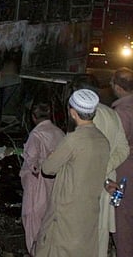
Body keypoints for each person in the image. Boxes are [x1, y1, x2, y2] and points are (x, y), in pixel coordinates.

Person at [34, 89, 110, 257]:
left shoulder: (74, 139)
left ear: (73, 113)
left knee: (57, 249)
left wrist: (52, 156)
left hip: (67, 209)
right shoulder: (102, 139)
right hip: (89, 208)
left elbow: (48, 168)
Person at [70, 75, 129, 257]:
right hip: (107, 184)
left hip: (85, 186)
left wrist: (97, 171)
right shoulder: (111, 114)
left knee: (77, 237)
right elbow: (123, 149)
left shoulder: (83, 119)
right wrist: (105, 169)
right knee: (100, 237)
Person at [19, 101, 64, 255]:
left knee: (32, 217)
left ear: (33, 117)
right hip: (56, 182)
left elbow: (31, 162)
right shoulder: (59, 132)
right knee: (49, 218)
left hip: (37, 183)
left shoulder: (36, 135)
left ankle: (35, 251)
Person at [110, 67, 133, 257]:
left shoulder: (122, 112)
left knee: (122, 220)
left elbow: (119, 144)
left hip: (125, 171)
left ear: (118, 87)